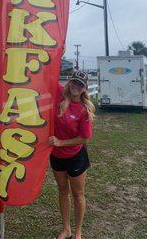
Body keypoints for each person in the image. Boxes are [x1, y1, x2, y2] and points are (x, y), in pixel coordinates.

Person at [49, 70, 95, 239]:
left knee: (78, 194)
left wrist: (61, 142)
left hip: (76, 157)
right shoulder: (59, 95)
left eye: (80, 85)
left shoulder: (84, 110)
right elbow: (49, 74)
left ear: (84, 89)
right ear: (69, 82)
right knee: (62, 191)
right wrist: (59, 53)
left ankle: (78, 232)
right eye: (74, 82)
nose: (76, 86)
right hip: (56, 156)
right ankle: (66, 228)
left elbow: (84, 138)